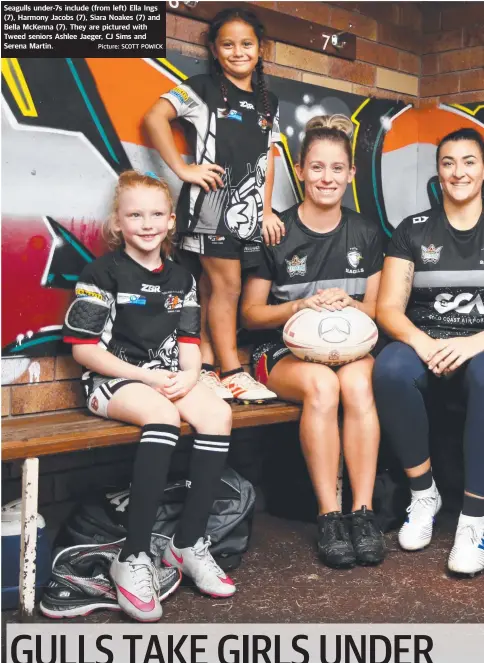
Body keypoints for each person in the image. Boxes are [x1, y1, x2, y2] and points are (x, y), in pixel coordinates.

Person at [63, 171, 235, 623]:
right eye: (135, 214)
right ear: (117, 223)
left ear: (171, 221)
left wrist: (191, 375)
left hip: (163, 378)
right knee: (161, 415)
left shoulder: (181, 276)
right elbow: (84, 350)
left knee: (216, 413)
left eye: (157, 214)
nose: (147, 223)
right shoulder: (102, 271)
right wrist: (150, 378)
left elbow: (189, 343)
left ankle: (187, 546)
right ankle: (133, 557)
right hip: (110, 383)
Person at [241, 115, 386, 568]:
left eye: (337, 168)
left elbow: (380, 313)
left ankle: (362, 514)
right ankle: (329, 516)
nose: (327, 178)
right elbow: (250, 314)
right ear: (300, 170)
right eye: (317, 167)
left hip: (351, 348)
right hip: (282, 353)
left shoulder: (366, 232)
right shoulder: (276, 232)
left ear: (351, 174)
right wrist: (298, 308)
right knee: (323, 385)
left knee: (357, 385)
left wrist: (352, 304)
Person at [144, 7, 283, 403]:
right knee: (228, 287)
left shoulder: (268, 100)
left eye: (246, 44)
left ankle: (203, 368)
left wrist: (267, 209)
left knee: (210, 288)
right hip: (211, 206)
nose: (238, 52)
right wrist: (183, 169)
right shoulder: (201, 87)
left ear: (260, 49)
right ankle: (232, 371)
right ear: (214, 48)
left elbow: (267, 159)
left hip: (247, 210)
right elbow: (154, 117)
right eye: (228, 44)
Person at [373, 128, 484, 575]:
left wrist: (472, 343)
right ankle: (424, 493)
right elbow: (387, 308)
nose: (458, 172)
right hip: (429, 340)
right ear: (438, 172)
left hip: (479, 344)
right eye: (448, 162)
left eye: (469, 161)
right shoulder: (413, 230)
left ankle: (474, 520)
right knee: (389, 370)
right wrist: (424, 342)